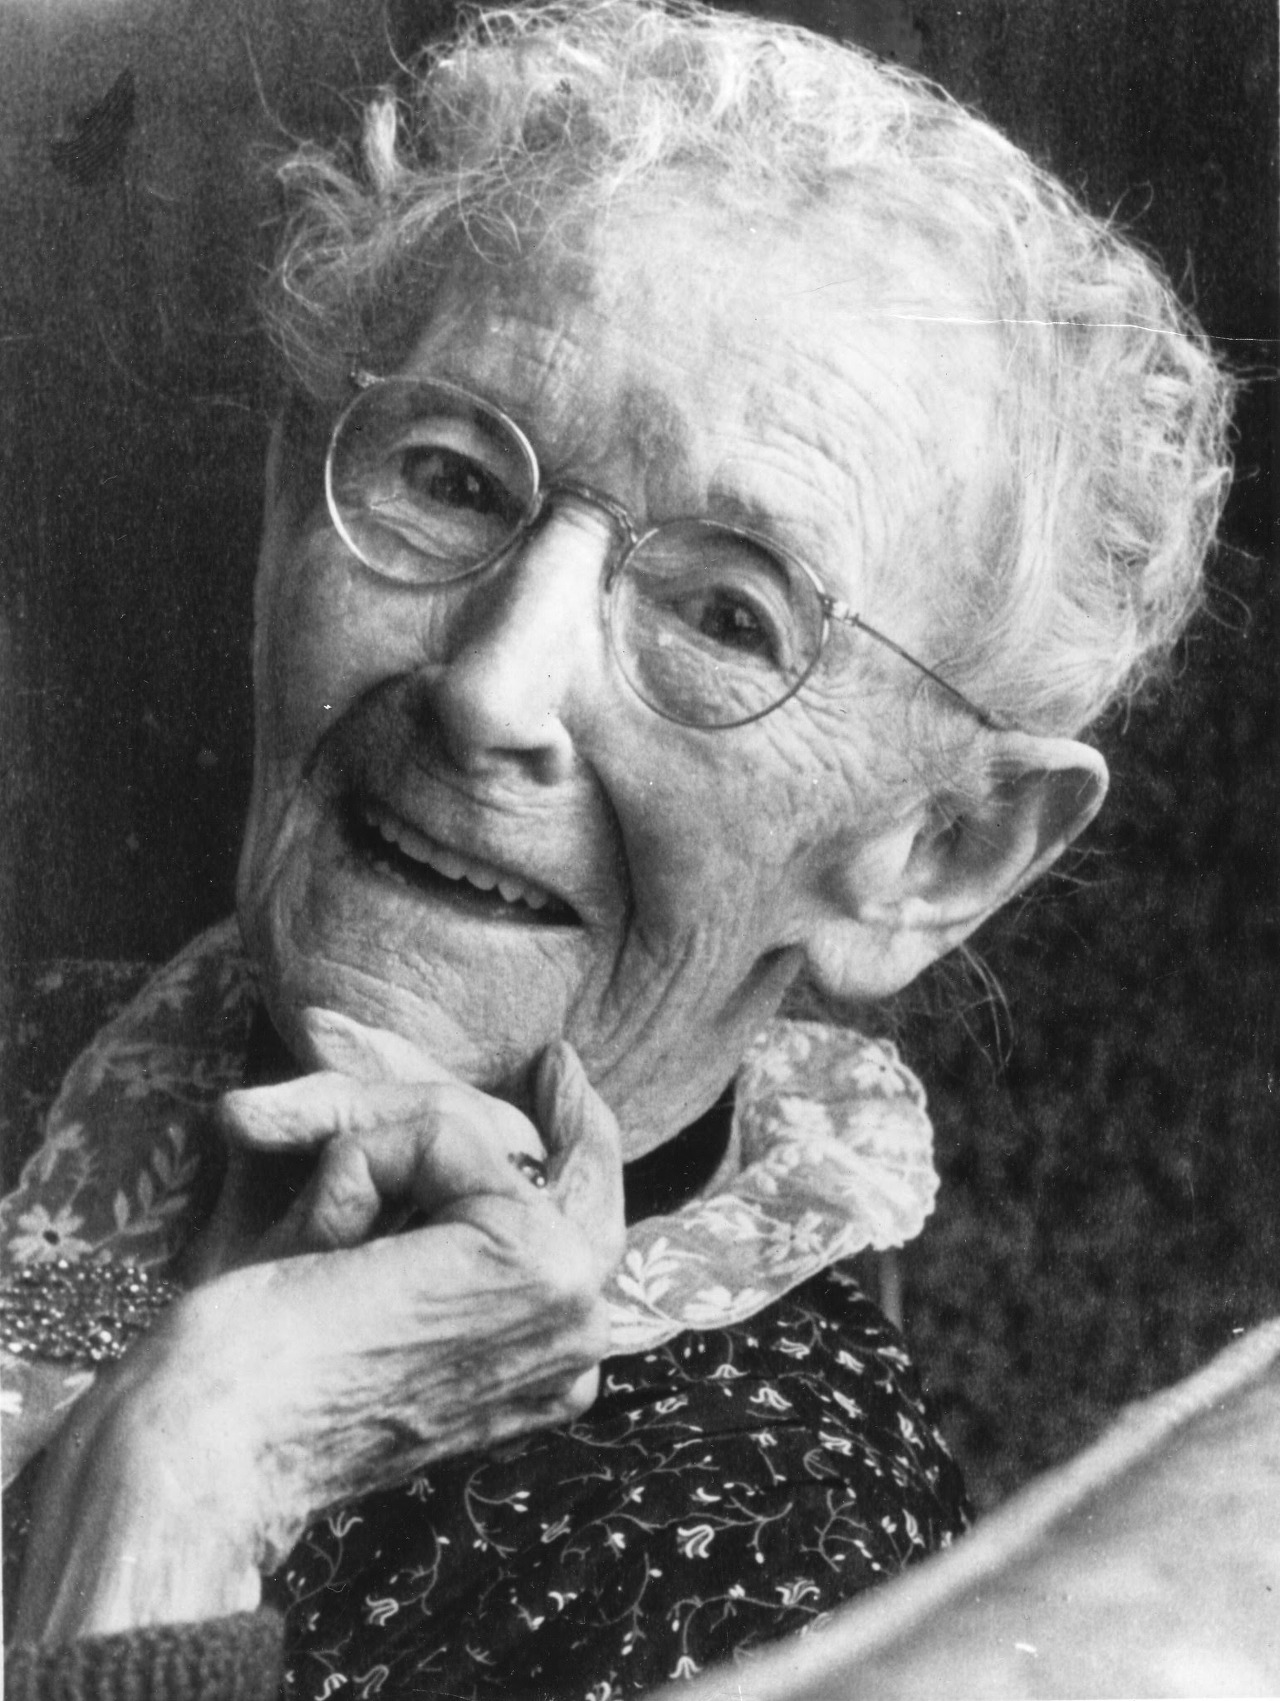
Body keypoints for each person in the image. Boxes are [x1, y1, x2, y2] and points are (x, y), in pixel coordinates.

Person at [1, 2, 1231, 1696]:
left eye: (725, 617)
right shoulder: (53, 1064)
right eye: (452, 479)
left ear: (938, 852)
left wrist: (190, 1460)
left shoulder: (768, 1581)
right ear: (293, 504)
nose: (491, 689)